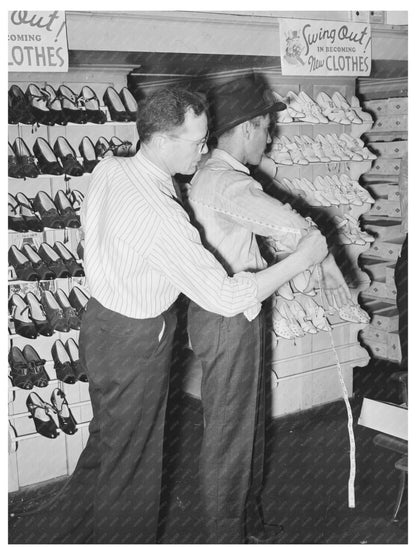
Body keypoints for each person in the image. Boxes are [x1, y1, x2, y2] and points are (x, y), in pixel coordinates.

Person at [35, 86, 327, 544]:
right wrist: (301, 259)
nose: (206, 148)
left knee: (106, 446)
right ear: (164, 139)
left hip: (99, 324)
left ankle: (65, 539)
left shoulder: (110, 168)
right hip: (136, 339)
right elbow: (226, 297)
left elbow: (91, 229)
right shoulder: (162, 214)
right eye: (198, 141)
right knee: (134, 469)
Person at [187, 75, 351, 544]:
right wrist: (329, 275)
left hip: (234, 315)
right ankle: (226, 541)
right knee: (230, 436)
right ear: (245, 128)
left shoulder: (219, 176)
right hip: (227, 320)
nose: (270, 137)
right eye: (265, 128)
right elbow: (293, 226)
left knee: (246, 429)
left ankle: (247, 528)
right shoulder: (227, 181)